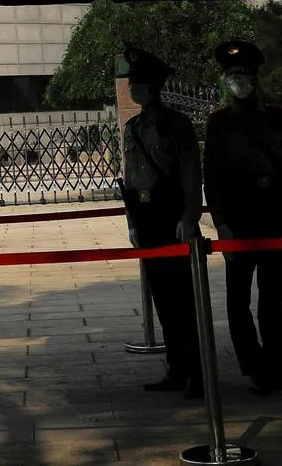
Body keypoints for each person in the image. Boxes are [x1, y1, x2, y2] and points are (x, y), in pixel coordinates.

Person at [204, 40, 282, 394]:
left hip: (271, 214)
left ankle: (281, 367)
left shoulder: (275, 118)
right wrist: (221, 223)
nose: (237, 78)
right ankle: (254, 368)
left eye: (243, 72)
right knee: (238, 299)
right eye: (232, 73)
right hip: (238, 219)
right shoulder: (219, 123)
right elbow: (212, 176)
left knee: (272, 297)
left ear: (255, 77)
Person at [119, 45, 204, 398]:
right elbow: (131, 178)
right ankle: (176, 368)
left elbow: (190, 173)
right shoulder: (133, 127)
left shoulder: (175, 124)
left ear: (153, 87)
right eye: (132, 83)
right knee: (162, 299)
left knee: (182, 299)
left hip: (172, 216)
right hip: (147, 216)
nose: (133, 89)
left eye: (138, 83)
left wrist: (190, 216)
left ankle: (197, 372)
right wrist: (132, 221)